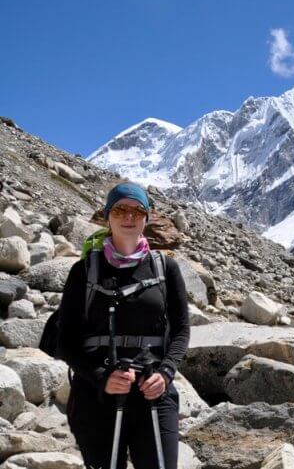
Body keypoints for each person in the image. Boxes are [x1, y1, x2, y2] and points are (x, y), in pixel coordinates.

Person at [57, 182, 190, 469]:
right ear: (107, 216)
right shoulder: (83, 271)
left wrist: (166, 373)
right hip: (96, 395)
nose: (128, 217)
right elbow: (64, 340)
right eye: (119, 210)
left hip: (153, 389)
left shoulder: (166, 268)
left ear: (147, 217)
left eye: (137, 210)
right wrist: (102, 376)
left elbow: (181, 330)